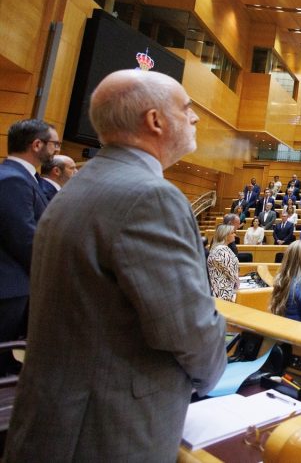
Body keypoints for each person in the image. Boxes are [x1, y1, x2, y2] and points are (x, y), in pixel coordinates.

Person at [5, 71, 225, 461]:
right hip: (108, 428)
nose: (195, 118)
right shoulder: (151, 197)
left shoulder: (78, 186)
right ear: (155, 121)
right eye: (187, 108)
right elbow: (188, 328)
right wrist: (213, 377)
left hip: (59, 416)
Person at [0, 119, 57, 373]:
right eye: (54, 144)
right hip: (8, 285)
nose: (55, 150)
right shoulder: (14, 178)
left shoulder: (22, 176)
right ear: (37, 144)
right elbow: (24, 238)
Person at [208, 224, 240, 302]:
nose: (235, 235)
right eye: (232, 233)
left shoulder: (217, 248)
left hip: (218, 289)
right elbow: (231, 273)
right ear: (225, 235)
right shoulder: (222, 250)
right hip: (224, 292)